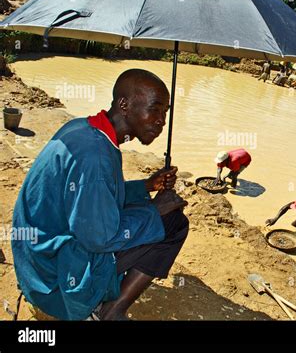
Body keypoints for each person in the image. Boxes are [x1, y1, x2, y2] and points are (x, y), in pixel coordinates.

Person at [12, 69, 189, 321]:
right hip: (55, 281)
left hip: (37, 261)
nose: (161, 120)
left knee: (155, 216)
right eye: (155, 109)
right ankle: (110, 311)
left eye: (165, 112)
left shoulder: (85, 129)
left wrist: (146, 186)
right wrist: (155, 210)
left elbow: (93, 197)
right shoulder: (96, 156)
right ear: (124, 105)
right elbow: (100, 239)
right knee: (173, 224)